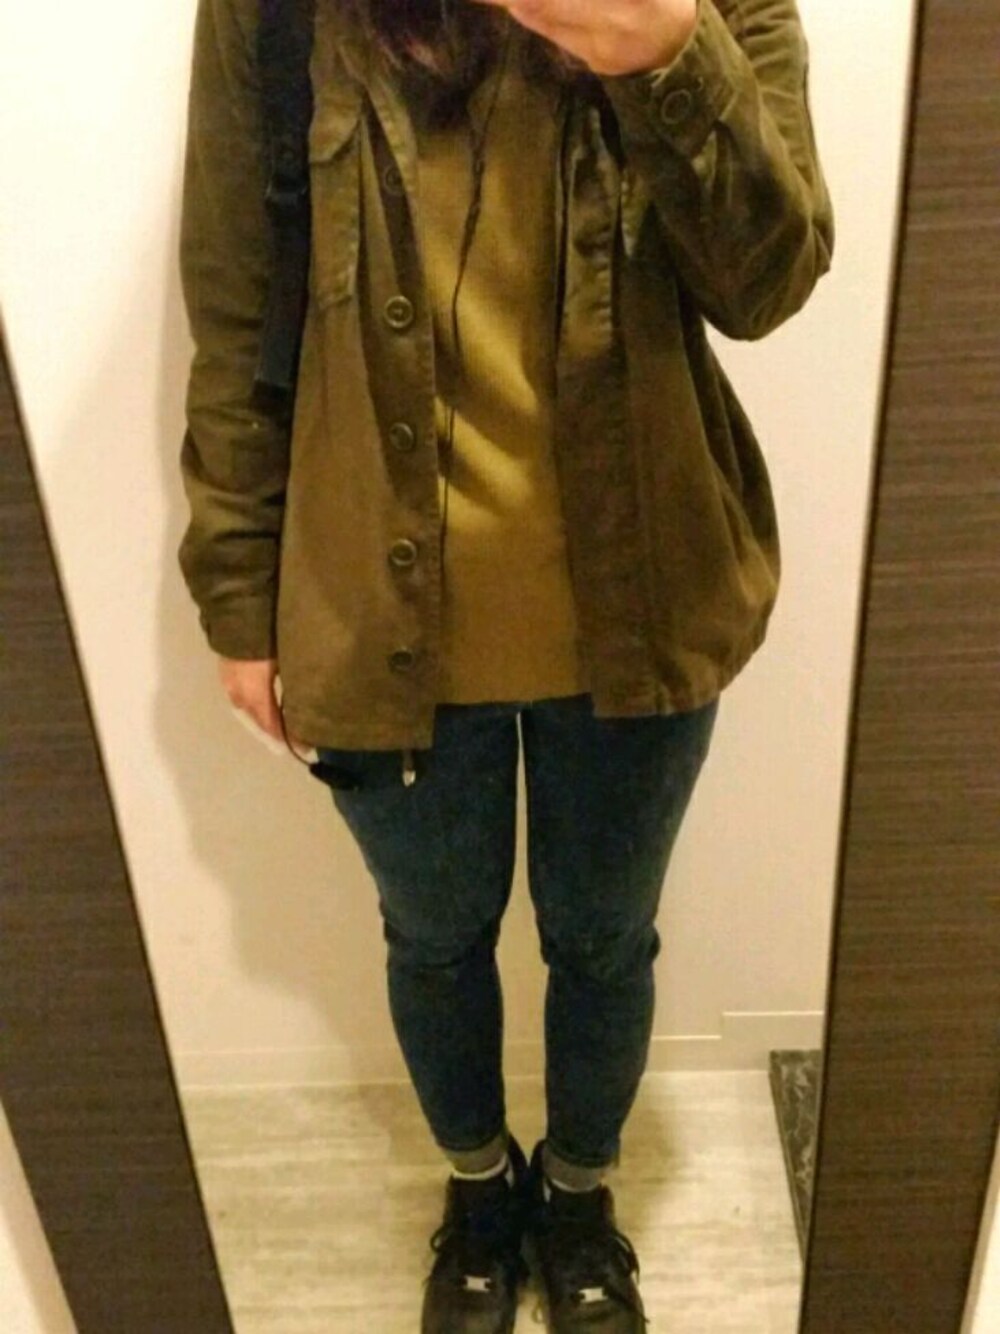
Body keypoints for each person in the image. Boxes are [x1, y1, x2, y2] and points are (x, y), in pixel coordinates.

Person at [176, 0, 834, 1328]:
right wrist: (239, 592)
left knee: (604, 941)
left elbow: (768, 281)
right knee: (433, 941)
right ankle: (481, 1193)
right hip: (373, 613)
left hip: (640, 606)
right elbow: (239, 301)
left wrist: (670, 57)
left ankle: (579, 1198)